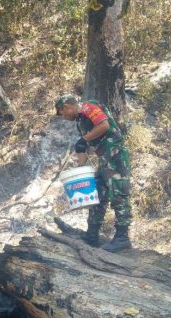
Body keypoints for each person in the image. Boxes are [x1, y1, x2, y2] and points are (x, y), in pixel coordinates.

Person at [54, 94, 132, 252]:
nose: (63, 117)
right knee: (97, 194)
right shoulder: (80, 122)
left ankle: (122, 238)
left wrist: (83, 139)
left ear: (67, 106)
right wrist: (79, 167)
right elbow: (83, 146)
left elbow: (104, 126)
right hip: (104, 159)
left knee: (118, 195)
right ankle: (92, 235)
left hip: (115, 155)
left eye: (62, 113)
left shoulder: (87, 107)